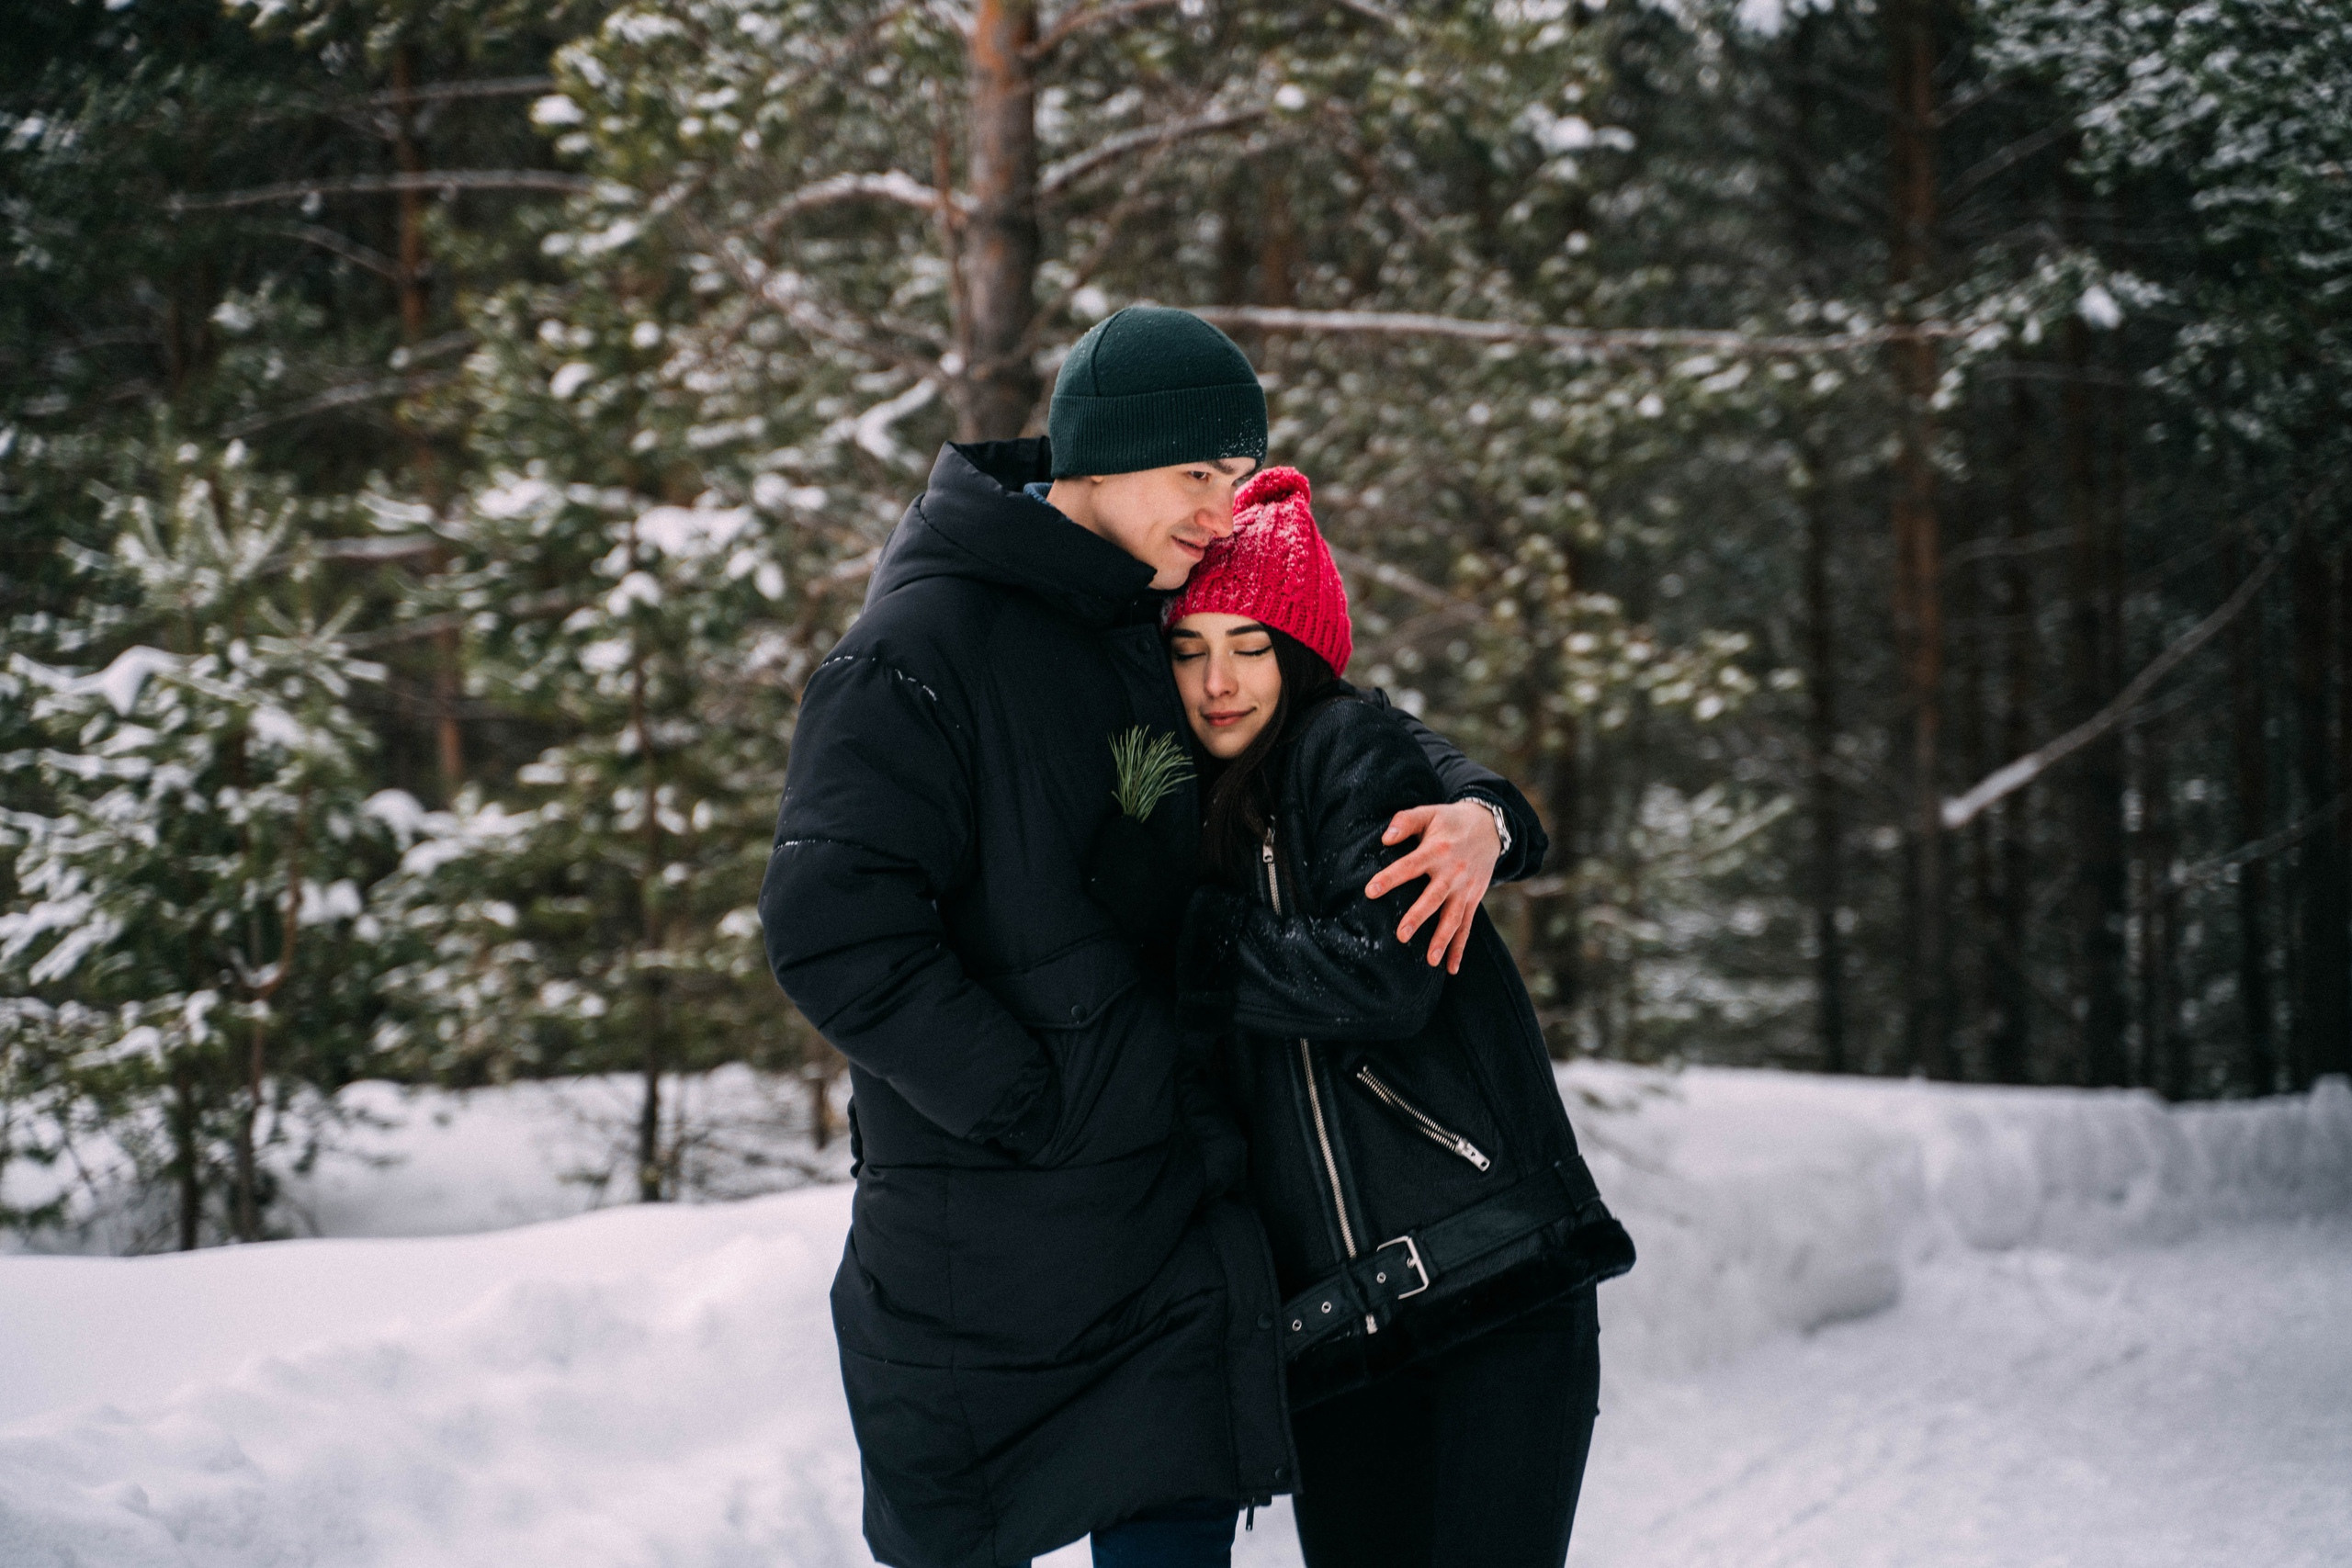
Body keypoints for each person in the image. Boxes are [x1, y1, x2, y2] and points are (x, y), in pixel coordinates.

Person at [757, 306, 1548, 1568]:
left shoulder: (1152, 622)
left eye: (1237, 479)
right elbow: (830, 924)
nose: (1222, 510)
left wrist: (1484, 812)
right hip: (992, 1259)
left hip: (1174, 1247)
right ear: (1099, 461)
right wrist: (1035, 1098)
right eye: (1199, 474)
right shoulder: (918, 648)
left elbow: (1326, 714)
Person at [1158, 467, 1637, 1568]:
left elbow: (1382, 975)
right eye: (1189, 650)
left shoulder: (1347, 748)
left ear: (1301, 651)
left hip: (1494, 1288)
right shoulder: (1178, 797)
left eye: (1250, 645)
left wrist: (1185, 943)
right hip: (1331, 1334)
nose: (1219, 681)